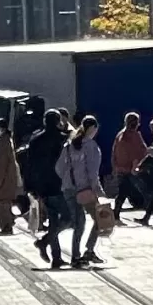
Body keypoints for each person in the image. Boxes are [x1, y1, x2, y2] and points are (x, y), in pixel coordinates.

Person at [24, 111, 73, 269]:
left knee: (53, 220)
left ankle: (56, 257)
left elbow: (29, 165)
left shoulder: (36, 139)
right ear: (59, 121)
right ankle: (44, 241)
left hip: (43, 187)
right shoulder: (63, 139)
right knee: (68, 218)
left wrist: (30, 186)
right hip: (59, 185)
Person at [65, 114, 106, 267]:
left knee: (77, 223)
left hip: (69, 189)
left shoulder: (69, 145)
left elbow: (60, 167)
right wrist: (100, 191)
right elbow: (93, 173)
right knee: (99, 220)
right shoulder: (91, 146)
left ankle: (75, 255)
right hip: (86, 190)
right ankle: (89, 250)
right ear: (93, 128)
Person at [111, 112, 150, 221]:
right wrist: (136, 165)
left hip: (121, 168)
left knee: (122, 192)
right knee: (146, 190)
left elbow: (114, 152)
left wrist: (114, 167)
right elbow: (138, 152)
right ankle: (150, 212)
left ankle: (116, 213)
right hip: (132, 169)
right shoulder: (134, 135)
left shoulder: (120, 135)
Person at [0, 127, 22, 237]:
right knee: (2, 203)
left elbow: (1, 164)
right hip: (5, 179)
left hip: (3, 180)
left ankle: (7, 224)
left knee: (1, 203)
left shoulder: (4, 143)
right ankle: (8, 222)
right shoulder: (4, 141)